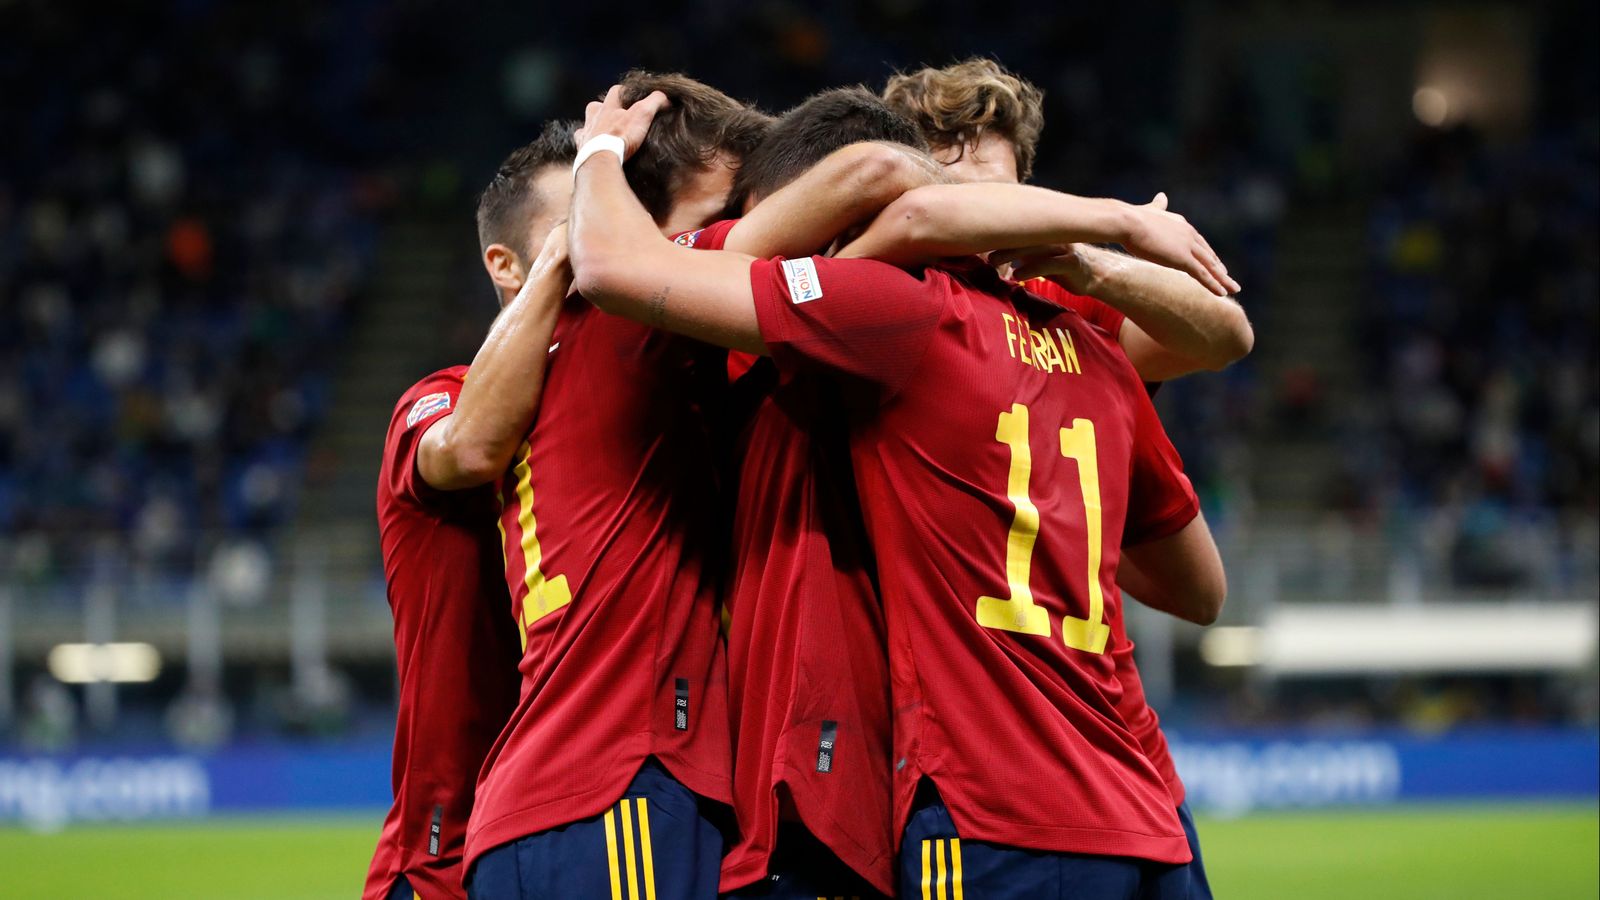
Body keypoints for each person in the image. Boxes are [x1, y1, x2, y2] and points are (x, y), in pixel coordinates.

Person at [571, 84, 1232, 900]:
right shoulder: (1095, 350)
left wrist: (598, 152)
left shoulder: (891, 317)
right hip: (1136, 797)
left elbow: (618, 267)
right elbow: (1203, 581)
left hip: (973, 805)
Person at [886, 58, 1252, 896]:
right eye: (956, 186)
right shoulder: (902, 300)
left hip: (1073, 779)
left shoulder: (1076, 325)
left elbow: (1227, 333)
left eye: (999, 190)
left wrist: (1092, 263)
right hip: (1076, 783)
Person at [461, 73, 770, 900]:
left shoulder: (529, 377)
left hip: (553, 797)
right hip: (618, 787)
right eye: (715, 216)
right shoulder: (633, 319)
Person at [365, 121, 579, 900]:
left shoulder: (625, 415)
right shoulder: (437, 400)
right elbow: (468, 449)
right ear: (506, 263)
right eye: (576, 224)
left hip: (578, 827)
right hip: (443, 857)